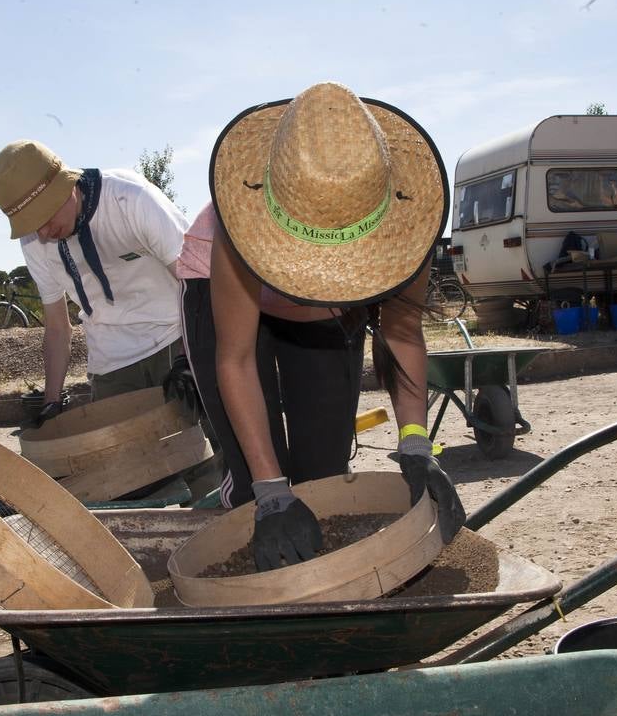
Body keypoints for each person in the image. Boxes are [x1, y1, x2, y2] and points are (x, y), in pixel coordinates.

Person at [195, 81, 465, 571]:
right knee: (256, 476)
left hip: (328, 320)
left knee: (324, 472)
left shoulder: (409, 221)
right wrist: (272, 492)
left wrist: (415, 443)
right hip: (226, 302)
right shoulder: (235, 230)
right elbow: (233, 359)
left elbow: (402, 333)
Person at [0, 140, 190, 419]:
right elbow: (58, 328)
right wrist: (51, 403)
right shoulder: (34, 240)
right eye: (30, 223)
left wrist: (190, 356)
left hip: (175, 336)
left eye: (42, 216)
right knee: (126, 459)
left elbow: (199, 284)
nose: (43, 234)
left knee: (198, 452)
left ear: (66, 185)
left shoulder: (130, 199)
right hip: (111, 359)